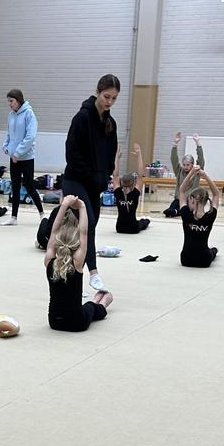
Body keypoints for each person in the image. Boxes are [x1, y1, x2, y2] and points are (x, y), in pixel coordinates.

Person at [61, 74, 120, 293]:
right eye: (106, 96)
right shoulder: (82, 118)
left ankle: (71, 275)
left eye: (114, 98)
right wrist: (90, 175)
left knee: (85, 229)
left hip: (94, 184)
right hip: (75, 180)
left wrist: (105, 176)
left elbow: (111, 154)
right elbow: (71, 152)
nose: (109, 101)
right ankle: (93, 273)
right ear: (97, 92)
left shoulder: (111, 123)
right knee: (88, 224)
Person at [44, 195, 112, 332]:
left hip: (54, 321)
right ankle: (103, 302)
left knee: (86, 306)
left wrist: (64, 205)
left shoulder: (49, 261)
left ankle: (97, 301)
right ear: (76, 244)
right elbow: (84, 233)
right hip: (76, 323)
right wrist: (82, 206)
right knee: (90, 307)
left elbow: (54, 230)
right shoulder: (77, 263)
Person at [1, 89, 46, 227]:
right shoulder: (11, 115)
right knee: (15, 187)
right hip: (14, 158)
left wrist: (17, 153)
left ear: (18, 100)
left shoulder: (29, 114)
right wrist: (6, 147)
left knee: (29, 186)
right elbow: (10, 135)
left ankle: (42, 214)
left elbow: (30, 137)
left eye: (11, 101)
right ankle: (13, 217)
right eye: (8, 101)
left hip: (26, 158)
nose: (9, 104)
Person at [179, 165, 221, 267]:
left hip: (186, 260)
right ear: (206, 201)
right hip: (204, 261)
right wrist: (204, 175)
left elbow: (181, 190)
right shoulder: (210, 216)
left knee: (211, 251)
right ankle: (214, 250)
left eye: (189, 200)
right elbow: (216, 194)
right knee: (212, 251)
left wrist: (192, 172)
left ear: (192, 200)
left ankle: (214, 250)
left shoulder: (186, 214)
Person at [113, 143, 151, 235]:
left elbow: (115, 175)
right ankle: (147, 220)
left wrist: (117, 157)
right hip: (133, 228)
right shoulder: (135, 193)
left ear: (121, 182)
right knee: (142, 223)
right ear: (133, 184)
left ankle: (145, 220)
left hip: (120, 228)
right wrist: (139, 155)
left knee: (140, 222)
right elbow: (140, 175)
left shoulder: (117, 192)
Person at [165, 132, 205, 217]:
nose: (185, 167)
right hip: (178, 199)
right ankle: (176, 211)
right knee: (169, 211)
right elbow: (174, 159)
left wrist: (198, 143)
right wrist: (175, 144)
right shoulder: (179, 171)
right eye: (184, 165)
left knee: (186, 212)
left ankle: (178, 211)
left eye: (188, 165)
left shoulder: (196, 171)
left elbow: (201, 159)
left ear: (192, 164)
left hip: (190, 201)